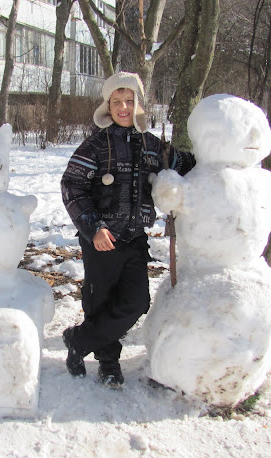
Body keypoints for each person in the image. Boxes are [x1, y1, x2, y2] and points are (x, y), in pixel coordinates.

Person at [60, 71, 195, 388]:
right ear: (108, 105)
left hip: (134, 238)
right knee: (101, 301)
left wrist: (220, 158)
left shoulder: (152, 146)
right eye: (117, 101)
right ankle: (108, 363)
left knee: (136, 302)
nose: (123, 107)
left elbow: (187, 164)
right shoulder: (95, 145)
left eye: (129, 101)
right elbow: (72, 187)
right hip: (101, 239)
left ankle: (78, 341)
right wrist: (93, 228)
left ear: (139, 104)